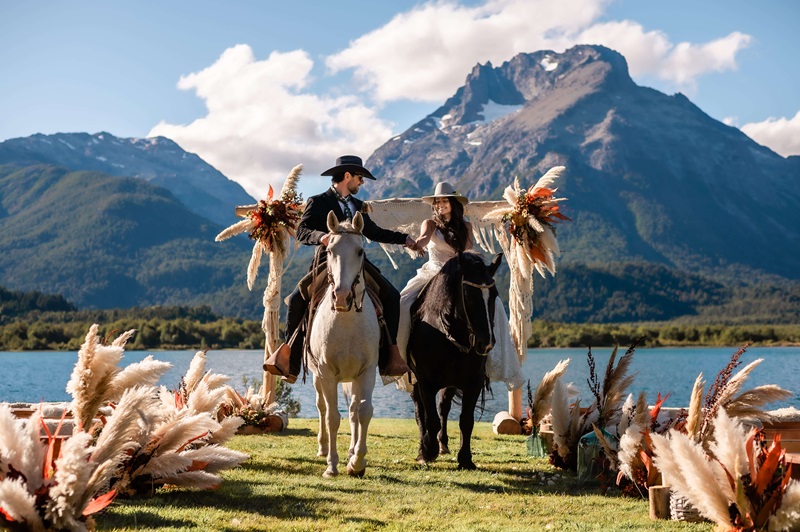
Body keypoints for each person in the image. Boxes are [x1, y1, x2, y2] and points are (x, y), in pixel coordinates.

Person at [264, 155, 415, 383]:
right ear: (347, 176)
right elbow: (303, 231)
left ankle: (389, 357)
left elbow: (373, 232)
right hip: (327, 262)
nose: (361, 183)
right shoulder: (319, 201)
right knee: (296, 300)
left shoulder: (357, 206)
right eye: (360, 178)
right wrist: (322, 237)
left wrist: (405, 239)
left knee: (392, 297)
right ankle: (290, 362)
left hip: (357, 263)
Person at [397, 182, 524, 391]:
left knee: (496, 305)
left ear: (453, 203)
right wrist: (416, 244)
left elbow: (466, 251)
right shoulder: (430, 224)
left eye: (444, 200)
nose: (439, 204)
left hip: (459, 273)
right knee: (403, 302)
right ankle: (401, 357)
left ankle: (490, 356)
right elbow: (423, 239)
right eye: (437, 201)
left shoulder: (466, 227)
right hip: (434, 271)